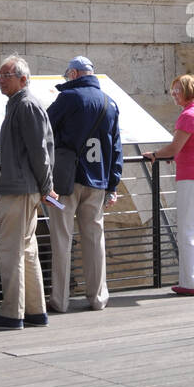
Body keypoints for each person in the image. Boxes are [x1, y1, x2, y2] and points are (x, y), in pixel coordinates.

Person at [0, 55, 56, 330]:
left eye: (6, 76)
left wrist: (46, 186)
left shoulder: (25, 106)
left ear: (23, 79)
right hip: (24, 186)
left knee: (11, 249)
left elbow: (40, 150)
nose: (0, 80)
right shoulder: (20, 105)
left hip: (21, 189)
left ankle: (12, 313)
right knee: (27, 248)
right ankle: (35, 311)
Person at [46, 56, 122, 313]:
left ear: (75, 74)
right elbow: (117, 148)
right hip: (98, 179)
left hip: (66, 180)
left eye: (68, 75)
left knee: (61, 238)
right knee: (94, 239)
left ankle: (60, 299)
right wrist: (113, 184)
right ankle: (98, 297)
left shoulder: (68, 98)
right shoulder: (110, 103)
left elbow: (45, 129)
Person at [145, 73, 194, 296]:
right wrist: (175, 154)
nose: (174, 94)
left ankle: (190, 283)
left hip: (193, 178)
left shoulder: (188, 115)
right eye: (173, 90)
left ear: (188, 91)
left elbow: (174, 147)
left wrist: (156, 154)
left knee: (188, 232)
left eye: (177, 90)